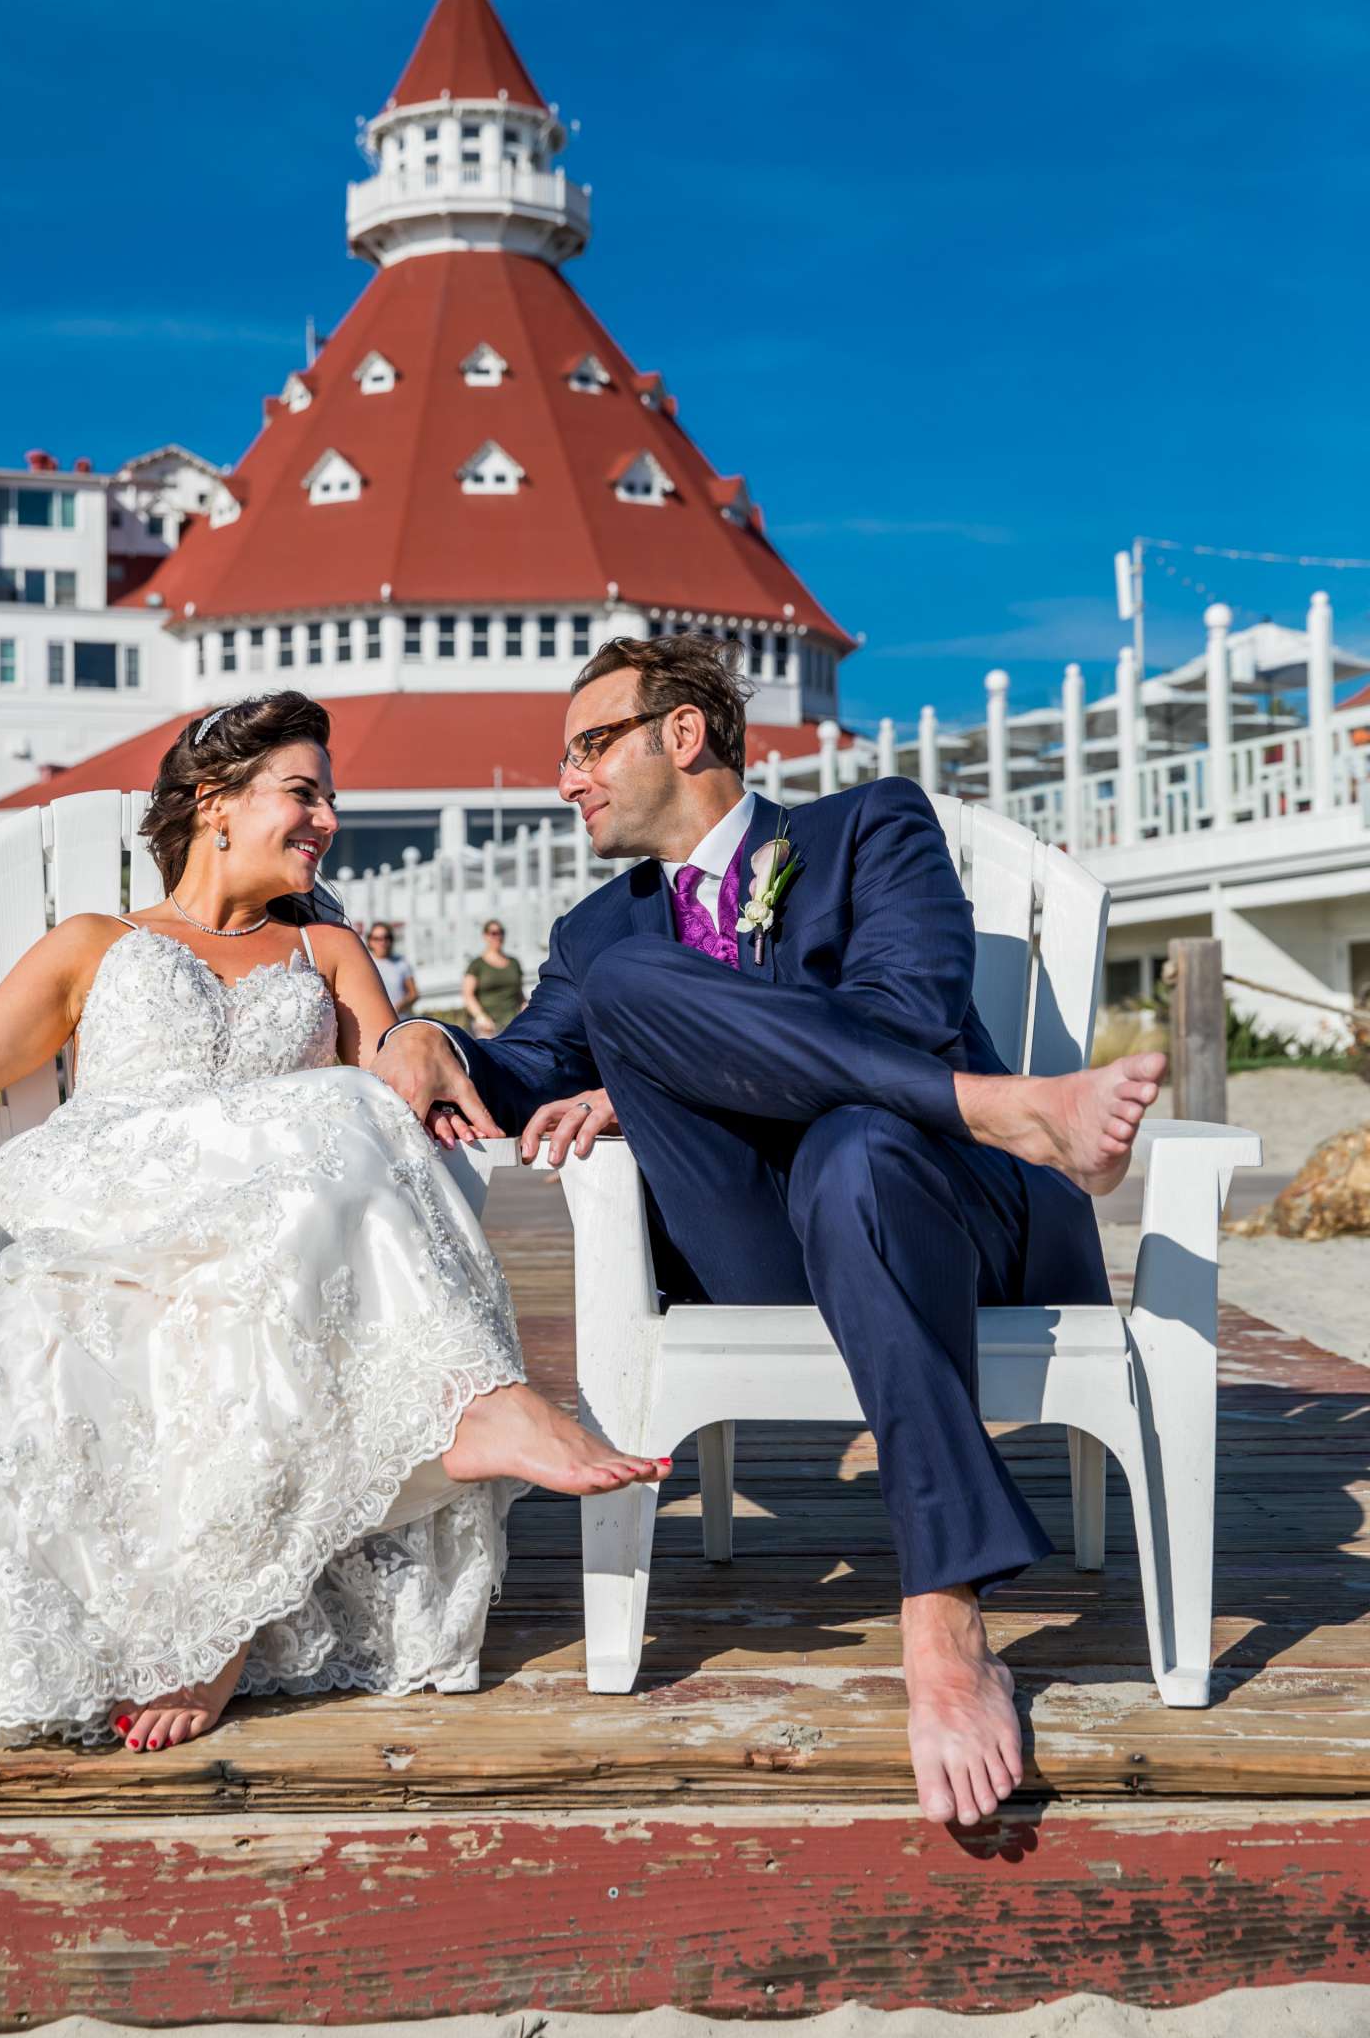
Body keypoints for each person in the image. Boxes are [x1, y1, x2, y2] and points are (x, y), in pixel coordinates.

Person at [0, 692, 667, 1756]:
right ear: (216, 803)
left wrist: (421, 1039)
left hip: (279, 1256)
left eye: (329, 796)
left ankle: (240, 1604)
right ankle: (467, 1413)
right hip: (126, 1227)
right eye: (303, 792)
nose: (327, 817)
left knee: (348, 1109)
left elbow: (395, 1095)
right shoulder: (93, 945)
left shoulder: (326, 953)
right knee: (332, 1108)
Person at [371, 636, 1166, 1831]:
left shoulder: (869, 832)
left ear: (680, 735)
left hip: (948, 1214)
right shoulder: (601, 936)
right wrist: (431, 1037)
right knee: (637, 990)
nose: (566, 780)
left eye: (588, 746)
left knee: (855, 1147)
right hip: (750, 1240)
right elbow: (527, 1066)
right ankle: (1009, 1109)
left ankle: (944, 1616)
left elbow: (907, 1015)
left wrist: (665, 1065)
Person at [462, 920, 526, 1038]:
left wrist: (526, 1009)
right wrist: (480, 1017)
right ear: (485, 936)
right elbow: (468, 995)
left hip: (514, 1023)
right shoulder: (476, 965)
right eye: (493, 933)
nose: (498, 936)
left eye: (501, 932)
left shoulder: (514, 963)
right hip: (487, 1026)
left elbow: (520, 994)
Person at [366, 921, 418, 1016]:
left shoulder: (401, 963)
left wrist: (398, 1007)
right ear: (370, 941)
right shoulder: (366, 964)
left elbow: (413, 994)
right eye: (377, 939)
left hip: (400, 1022)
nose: (382, 942)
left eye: (386, 938)